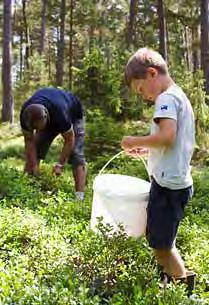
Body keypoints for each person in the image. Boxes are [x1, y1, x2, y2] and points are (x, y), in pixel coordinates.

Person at [121, 48, 196, 293]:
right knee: (160, 237)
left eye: (140, 89)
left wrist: (135, 140)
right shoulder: (179, 96)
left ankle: (180, 287)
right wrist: (147, 151)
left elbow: (167, 136)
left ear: (152, 73)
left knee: (160, 244)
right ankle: (171, 277)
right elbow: (172, 143)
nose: (143, 96)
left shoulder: (166, 99)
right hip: (174, 182)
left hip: (168, 187)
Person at [20, 87, 86, 200]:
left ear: (46, 117)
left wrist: (60, 164)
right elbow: (29, 141)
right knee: (35, 150)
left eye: (39, 128)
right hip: (48, 114)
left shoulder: (61, 114)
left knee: (76, 153)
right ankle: (26, 190)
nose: (37, 131)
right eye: (34, 128)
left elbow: (70, 140)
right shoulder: (25, 114)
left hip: (73, 113)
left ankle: (79, 197)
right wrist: (34, 164)